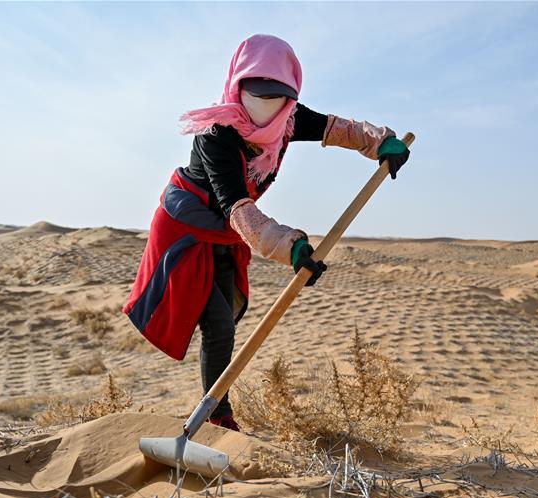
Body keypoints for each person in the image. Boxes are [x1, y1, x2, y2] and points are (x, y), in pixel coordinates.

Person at [123, 34, 410, 431]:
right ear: (237, 85)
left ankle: (213, 413)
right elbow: (237, 206)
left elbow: (336, 129)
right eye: (255, 93)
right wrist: (290, 246)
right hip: (188, 227)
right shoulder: (217, 134)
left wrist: (380, 143)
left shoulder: (288, 120)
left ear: (289, 98)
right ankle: (218, 418)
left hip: (227, 232)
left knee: (223, 322)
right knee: (218, 321)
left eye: (276, 96)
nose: (264, 105)